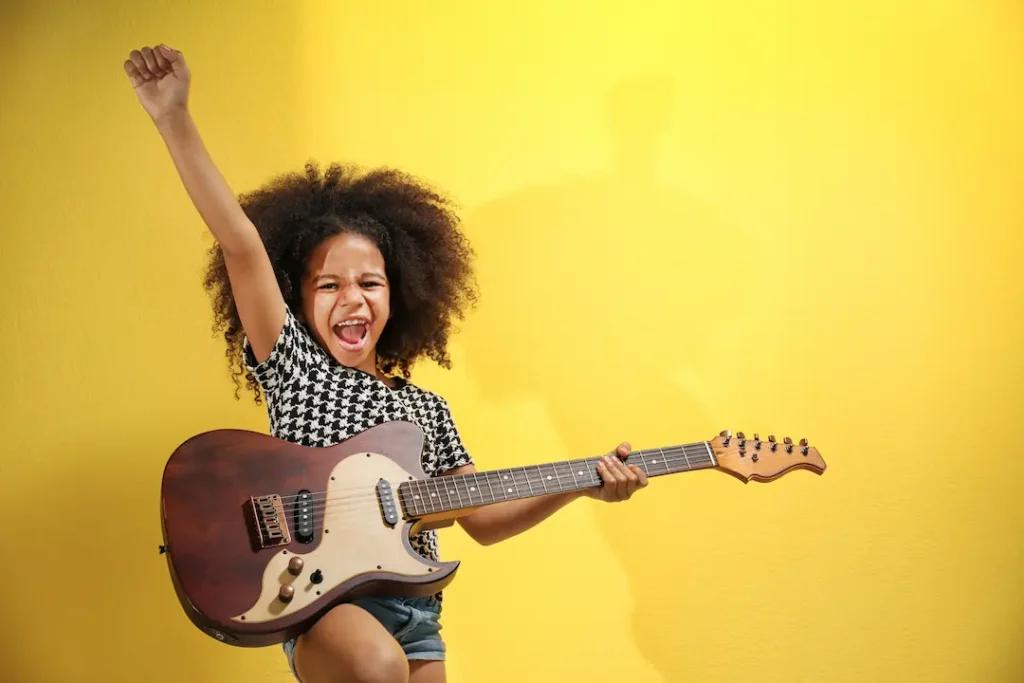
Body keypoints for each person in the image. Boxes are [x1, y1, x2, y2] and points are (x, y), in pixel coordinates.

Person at [124, 44, 649, 683]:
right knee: (376, 668)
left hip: (417, 613)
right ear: (300, 299)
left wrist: (583, 482)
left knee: (398, 664)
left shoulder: (426, 410)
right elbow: (240, 245)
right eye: (328, 286)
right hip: (322, 599)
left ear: (399, 295)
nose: (352, 299)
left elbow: (479, 519)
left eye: (370, 283)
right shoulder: (296, 368)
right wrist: (173, 117)